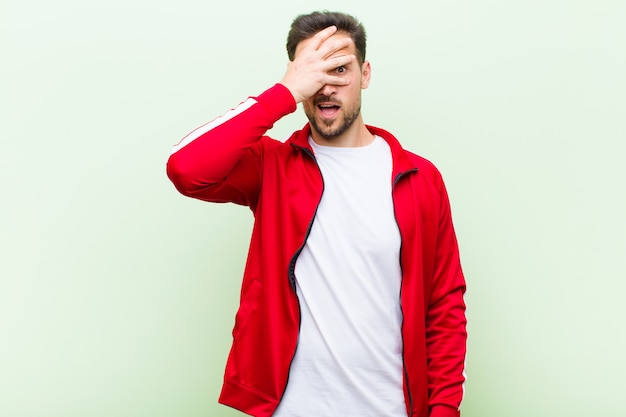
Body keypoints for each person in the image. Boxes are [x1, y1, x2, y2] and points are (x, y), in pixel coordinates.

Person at [167, 11, 467, 417]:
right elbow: (187, 168)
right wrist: (283, 94)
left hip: (390, 406)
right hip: (291, 407)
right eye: (313, 72)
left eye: (340, 69)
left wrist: (445, 410)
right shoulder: (271, 166)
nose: (326, 87)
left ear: (365, 74)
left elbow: (444, 304)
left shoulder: (419, 178)